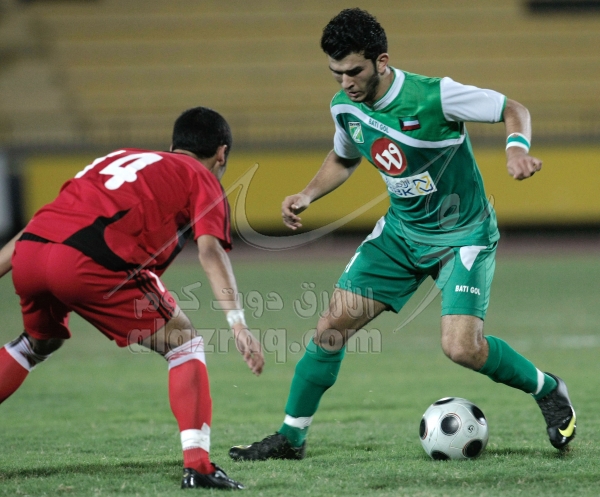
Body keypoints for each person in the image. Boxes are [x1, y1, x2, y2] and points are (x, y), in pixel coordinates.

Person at [228, 8, 575, 462]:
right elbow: (344, 157)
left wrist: (516, 151)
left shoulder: (435, 96)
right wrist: (308, 194)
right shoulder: (344, 107)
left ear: (382, 61)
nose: (346, 82)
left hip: (462, 237)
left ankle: (547, 388)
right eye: (336, 73)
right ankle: (291, 438)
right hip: (400, 236)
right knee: (330, 330)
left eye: (355, 71)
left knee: (461, 348)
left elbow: (514, 109)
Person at [0, 107, 264, 490]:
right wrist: (237, 322)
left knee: (38, 343)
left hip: (31, 253)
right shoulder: (201, 176)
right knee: (184, 343)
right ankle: (199, 466)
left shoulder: (119, 156)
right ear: (221, 153)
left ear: (173, 144)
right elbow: (210, 251)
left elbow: (44, 221)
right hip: (87, 261)